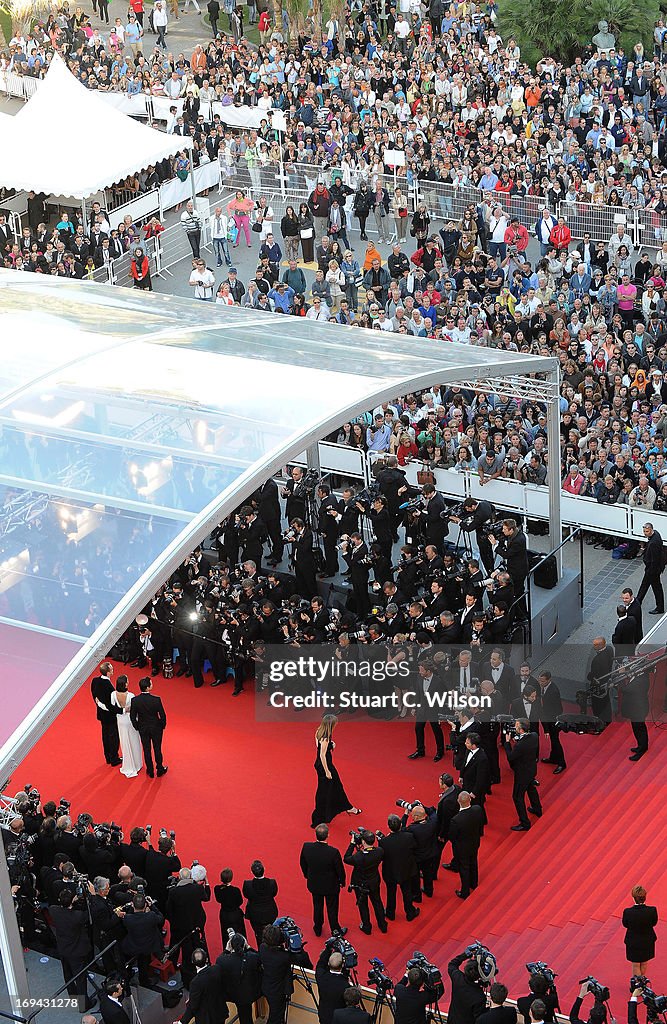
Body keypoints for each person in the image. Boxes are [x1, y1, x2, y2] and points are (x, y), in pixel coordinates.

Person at [49, 887, 96, 1011]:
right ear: (73, 899)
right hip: (77, 952)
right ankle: (83, 1005)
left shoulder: (54, 910)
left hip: (63, 949)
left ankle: (72, 995)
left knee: (68, 974)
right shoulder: (78, 916)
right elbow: (89, 914)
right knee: (80, 978)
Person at [311, 714, 361, 828]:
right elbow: (322, 755)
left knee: (336, 786)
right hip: (325, 766)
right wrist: (327, 771)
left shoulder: (319, 731)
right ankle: (319, 817)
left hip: (320, 765)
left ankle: (348, 807)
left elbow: (318, 746)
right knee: (325, 791)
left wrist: (331, 745)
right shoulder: (325, 737)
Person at [166, 865, 211, 987]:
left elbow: (169, 910)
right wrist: (206, 883)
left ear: (180, 877)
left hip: (179, 925)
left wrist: (173, 921)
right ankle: (199, 963)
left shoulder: (173, 891)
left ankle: (172, 964)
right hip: (196, 923)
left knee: (175, 944)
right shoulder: (197, 888)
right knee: (196, 943)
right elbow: (207, 897)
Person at [299, 823, 346, 936]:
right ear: (327, 835)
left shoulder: (307, 847)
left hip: (314, 883)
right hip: (331, 885)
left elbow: (302, 863)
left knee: (317, 905)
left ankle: (318, 928)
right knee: (332, 908)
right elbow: (340, 869)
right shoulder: (333, 852)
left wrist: (307, 875)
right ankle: (335, 929)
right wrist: (342, 881)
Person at [343, 830, 387, 935]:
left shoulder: (359, 856)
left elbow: (346, 858)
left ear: (363, 841)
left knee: (363, 905)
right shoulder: (379, 851)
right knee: (377, 902)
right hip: (374, 881)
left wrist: (352, 844)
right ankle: (383, 925)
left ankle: (367, 926)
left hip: (360, 883)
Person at [378, 815, 419, 922]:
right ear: (401, 825)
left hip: (390, 871)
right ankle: (410, 912)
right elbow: (414, 847)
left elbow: (382, 857)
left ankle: (390, 913)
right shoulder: (409, 837)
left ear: (388, 827)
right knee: (407, 892)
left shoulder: (383, 842)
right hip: (406, 869)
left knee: (391, 893)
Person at [502, 718, 542, 831]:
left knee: (517, 797)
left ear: (520, 729)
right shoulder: (534, 736)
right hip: (531, 770)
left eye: (516, 726)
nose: (514, 727)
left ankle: (525, 823)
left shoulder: (520, 746)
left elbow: (511, 757)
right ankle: (537, 809)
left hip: (522, 773)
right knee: (531, 788)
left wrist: (507, 743)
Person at [216, 933, 262, 1024]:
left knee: (244, 1016)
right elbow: (259, 956)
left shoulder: (223, 961)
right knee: (246, 1016)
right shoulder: (252, 957)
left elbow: (219, 960)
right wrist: (248, 947)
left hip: (233, 994)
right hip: (250, 993)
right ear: (244, 944)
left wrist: (226, 950)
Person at [122, 892, 165, 986]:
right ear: (145, 905)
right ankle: (144, 981)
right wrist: (152, 906)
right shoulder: (151, 916)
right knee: (143, 963)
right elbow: (161, 918)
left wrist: (131, 907)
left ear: (133, 904)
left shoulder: (127, 919)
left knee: (137, 961)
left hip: (133, 946)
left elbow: (128, 916)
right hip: (148, 946)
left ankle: (128, 976)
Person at [448, 791, 484, 900]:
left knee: (464, 868)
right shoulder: (477, 809)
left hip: (462, 848)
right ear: (470, 800)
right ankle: (474, 883)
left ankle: (465, 891)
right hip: (475, 842)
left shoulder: (456, 820)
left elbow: (452, 836)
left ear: (458, 801)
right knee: (473, 861)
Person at [129, 677, 167, 778]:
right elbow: (162, 715)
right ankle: (160, 769)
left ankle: (150, 771)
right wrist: (162, 725)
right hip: (156, 728)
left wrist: (137, 727)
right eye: (151, 683)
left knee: (146, 749)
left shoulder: (135, 700)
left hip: (143, 728)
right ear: (147, 687)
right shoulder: (156, 700)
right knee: (157, 748)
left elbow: (132, 716)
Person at [180, 948, 227, 1024]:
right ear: (207, 960)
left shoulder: (195, 982)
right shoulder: (216, 969)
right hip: (220, 1012)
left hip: (207, 1019)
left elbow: (193, 1006)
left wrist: (182, 1022)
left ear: (192, 962)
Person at [259, 924, 294, 1024]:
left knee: (276, 1014)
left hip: (266, 987)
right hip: (277, 992)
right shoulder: (284, 957)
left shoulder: (262, 948)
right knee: (276, 1016)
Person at [110, 675, 143, 778]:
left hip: (120, 720)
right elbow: (134, 710)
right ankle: (137, 764)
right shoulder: (131, 696)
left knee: (124, 741)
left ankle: (128, 764)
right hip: (129, 721)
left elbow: (112, 707)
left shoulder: (113, 694)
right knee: (134, 741)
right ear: (125, 684)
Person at [622, 884, 658, 975]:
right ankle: (642, 983)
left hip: (633, 941)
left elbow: (625, 924)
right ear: (644, 897)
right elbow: (654, 923)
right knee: (644, 962)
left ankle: (637, 985)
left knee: (636, 965)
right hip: (648, 940)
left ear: (633, 898)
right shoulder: (652, 910)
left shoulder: (628, 912)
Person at [91, 662, 121, 767]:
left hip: (101, 715)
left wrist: (99, 704)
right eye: (111, 669)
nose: (113, 670)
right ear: (108, 672)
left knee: (105, 736)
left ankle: (108, 757)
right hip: (111, 717)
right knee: (113, 738)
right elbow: (110, 706)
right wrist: (122, 711)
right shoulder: (110, 688)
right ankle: (114, 759)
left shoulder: (95, 681)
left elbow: (94, 696)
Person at [242, 860, 278, 947]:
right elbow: (274, 893)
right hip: (270, 913)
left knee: (258, 935)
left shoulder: (248, 885)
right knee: (271, 933)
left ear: (252, 872)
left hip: (255, 915)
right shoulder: (272, 882)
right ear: (264, 869)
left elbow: (246, 895)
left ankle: (261, 951)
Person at [447, 947, 487, 1024]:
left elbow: (452, 965)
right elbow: (479, 1018)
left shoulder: (457, 978)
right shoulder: (480, 997)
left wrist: (465, 955)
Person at [538, 671, 566, 774]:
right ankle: (553, 758)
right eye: (539, 680)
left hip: (553, 720)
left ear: (549, 680)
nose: (540, 683)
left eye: (543, 681)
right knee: (553, 740)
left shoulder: (553, 691)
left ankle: (562, 763)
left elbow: (558, 709)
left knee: (555, 741)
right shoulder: (545, 687)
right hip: (549, 717)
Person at [637, 522, 665, 614]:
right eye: (644, 531)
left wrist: (651, 572)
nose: (645, 533)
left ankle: (659, 607)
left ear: (651, 530)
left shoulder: (653, 543)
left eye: (647, 531)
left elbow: (654, 560)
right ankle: (639, 602)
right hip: (654, 569)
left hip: (652, 570)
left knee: (649, 586)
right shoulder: (656, 534)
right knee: (651, 586)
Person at [315, 948, 349, 1024]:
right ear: (343, 965)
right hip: (338, 1019)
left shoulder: (321, 976)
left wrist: (328, 948)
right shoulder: (345, 985)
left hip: (323, 1016)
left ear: (328, 963)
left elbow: (321, 963)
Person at [623, 671, 651, 761]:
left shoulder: (642, 679)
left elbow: (628, 689)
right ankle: (640, 746)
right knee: (636, 727)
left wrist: (621, 684)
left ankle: (642, 749)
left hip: (639, 708)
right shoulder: (638, 677)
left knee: (640, 728)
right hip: (635, 708)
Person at [214, 868, 246, 945]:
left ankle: (227, 949)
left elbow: (218, 900)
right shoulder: (235, 890)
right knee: (239, 932)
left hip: (224, 914)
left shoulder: (217, 889)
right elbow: (240, 902)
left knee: (225, 933)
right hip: (235, 914)